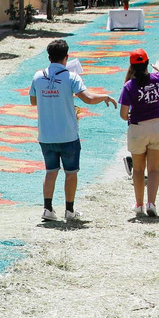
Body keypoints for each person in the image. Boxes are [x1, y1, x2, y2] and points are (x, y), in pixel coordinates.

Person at [29, 38, 113, 223]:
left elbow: (34, 101)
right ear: (66, 57)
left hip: (46, 134)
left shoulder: (37, 76)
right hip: (67, 134)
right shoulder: (72, 77)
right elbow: (89, 98)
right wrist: (105, 96)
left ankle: (48, 208)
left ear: (49, 57)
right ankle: (69, 210)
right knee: (71, 172)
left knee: (51, 171)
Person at [118, 49, 159, 219]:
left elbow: (123, 114)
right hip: (158, 125)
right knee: (154, 169)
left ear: (131, 66)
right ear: (147, 63)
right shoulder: (157, 79)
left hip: (138, 127)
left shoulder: (129, 86)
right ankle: (151, 203)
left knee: (139, 169)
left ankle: (139, 204)